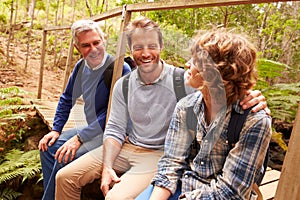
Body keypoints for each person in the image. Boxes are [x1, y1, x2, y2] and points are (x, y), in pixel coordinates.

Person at [55, 17, 269, 200]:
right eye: (138, 47)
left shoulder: (183, 81)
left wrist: (252, 97)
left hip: (159, 154)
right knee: (63, 177)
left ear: (161, 46)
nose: (145, 53)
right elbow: (115, 128)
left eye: (151, 45)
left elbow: (229, 80)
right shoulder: (125, 84)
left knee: (115, 197)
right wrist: (107, 167)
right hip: (133, 147)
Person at [139, 30, 272, 200]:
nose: (187, 64)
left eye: (195, 60)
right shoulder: (185, 107)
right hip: (183, 184)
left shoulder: (254, 121)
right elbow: (171, 164)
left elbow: (230, 192)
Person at [38, 19, 131, 200]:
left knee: (63, 156)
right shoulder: (81, 66)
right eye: (86, 45)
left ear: (103, 40)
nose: (93, 49)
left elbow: (116, 114)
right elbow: (66, 98)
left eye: (96, 42)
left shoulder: (120, 69)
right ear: (77, 47)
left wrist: (80, 138)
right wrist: (56, 129)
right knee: (47, 148)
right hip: (92, 129)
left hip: (114, 133)